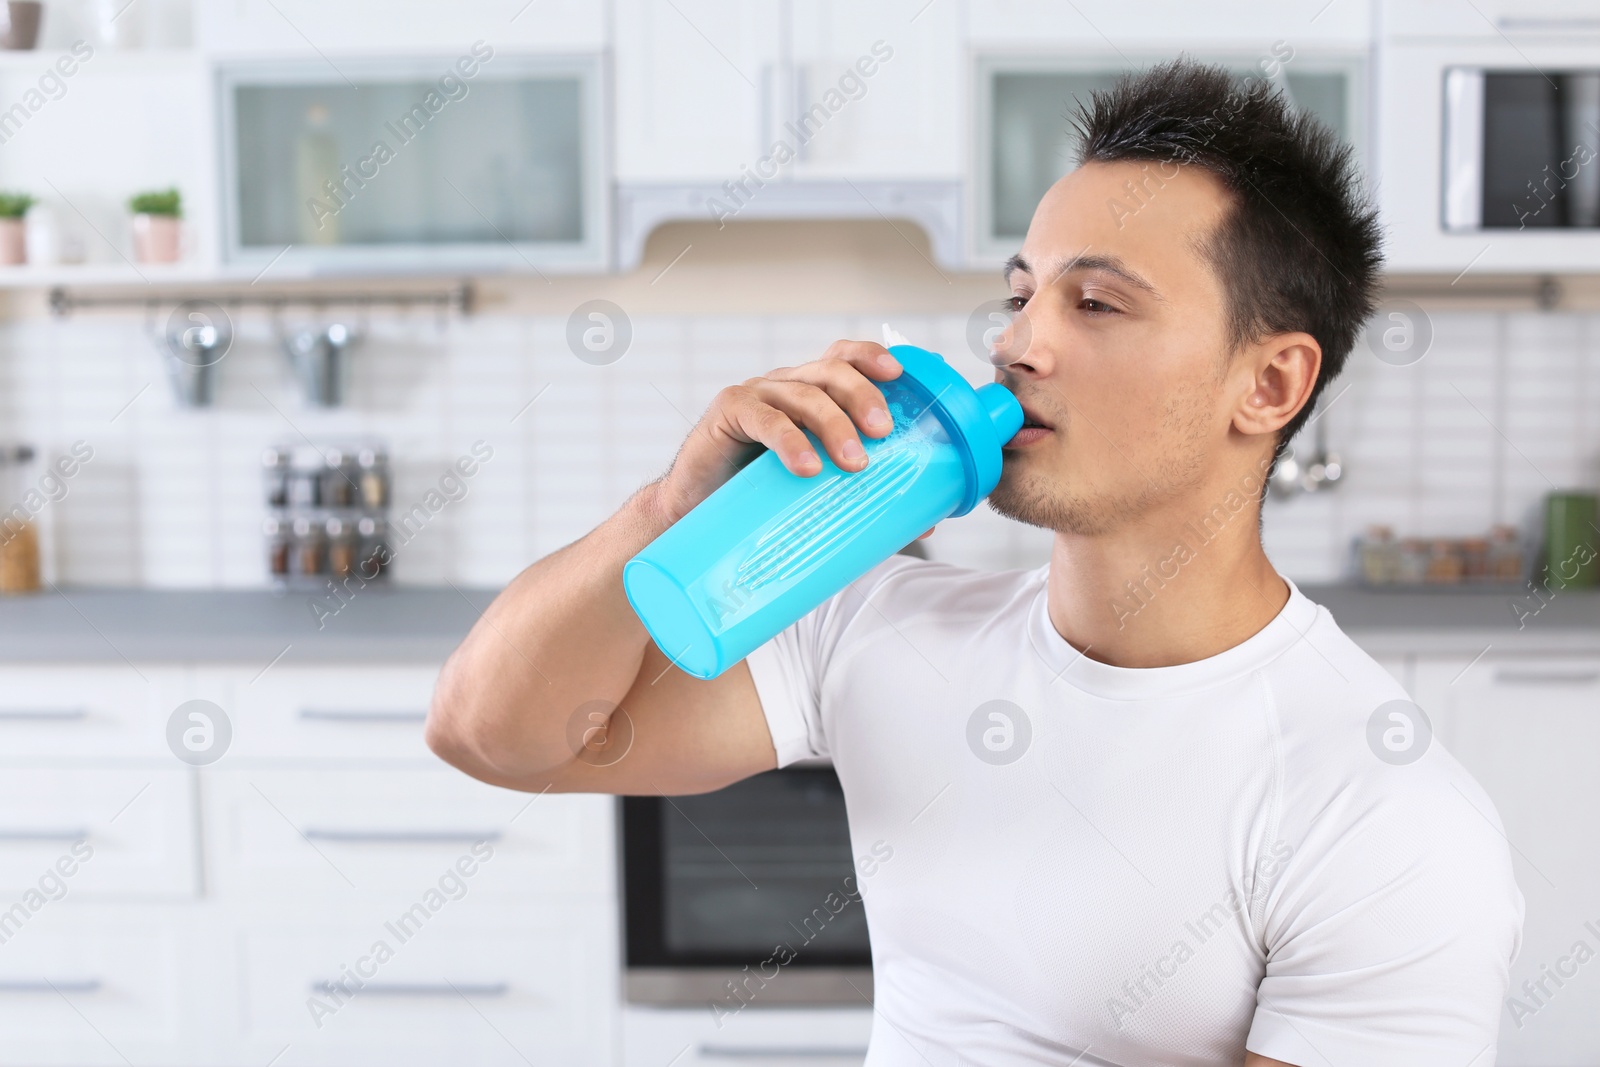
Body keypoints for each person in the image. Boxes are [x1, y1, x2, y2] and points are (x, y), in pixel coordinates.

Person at [426, 59, 1523, 1066]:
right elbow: (491, 733)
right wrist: (667, 509)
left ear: (1271, 385)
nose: (1016, 342)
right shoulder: (874, 621)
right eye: (1019, 293)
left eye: (1093, 302)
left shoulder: (1383, 814)